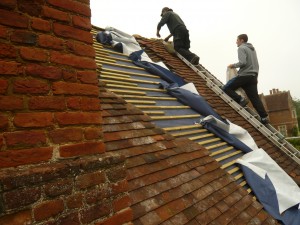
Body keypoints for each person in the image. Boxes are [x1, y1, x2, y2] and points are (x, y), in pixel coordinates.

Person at [223, 34, 269, 124]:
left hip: (244, 76)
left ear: (242, 40)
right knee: (255, 98)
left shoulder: (241, 48)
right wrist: (255, 76)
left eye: (237, 40)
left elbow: (242, 62)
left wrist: (233, 65)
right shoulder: (252, 49)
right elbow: (257, 64)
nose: (236, 42)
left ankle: (240, 99)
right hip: (253, 77)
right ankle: (264, 117)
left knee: (226, 88)